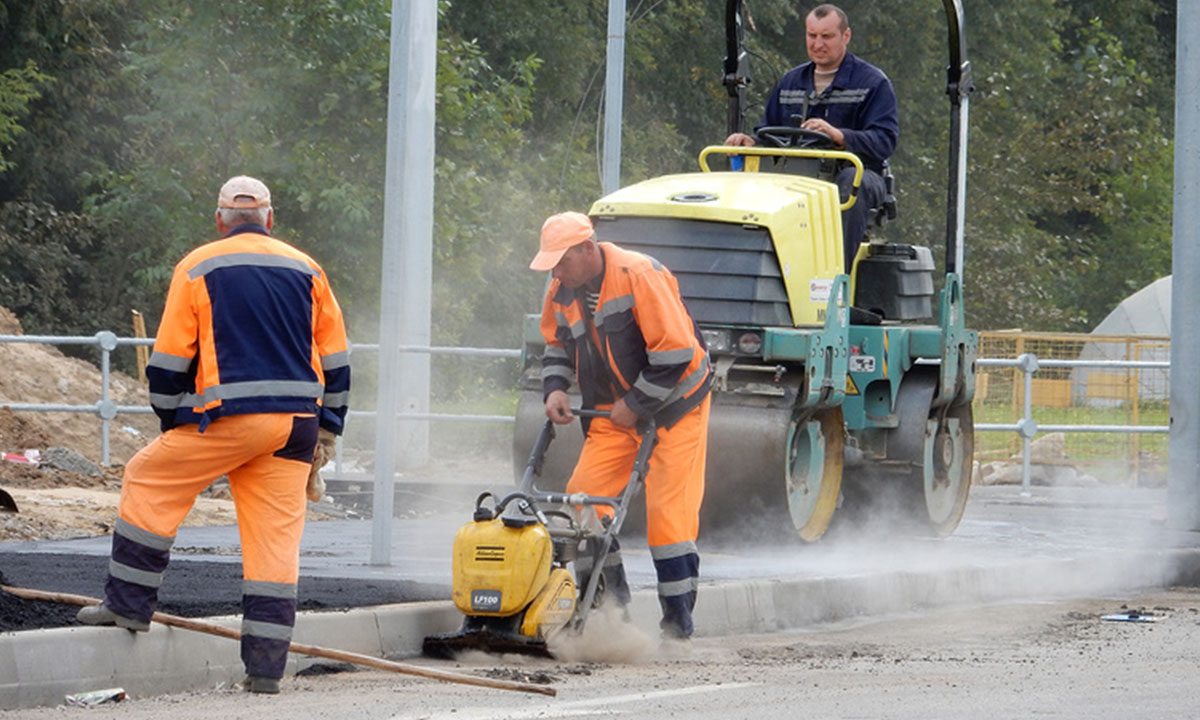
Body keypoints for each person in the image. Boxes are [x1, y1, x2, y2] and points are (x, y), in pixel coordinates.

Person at [76, 175, 351, 695]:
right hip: (296, 428)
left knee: (148, 477)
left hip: (230, 419)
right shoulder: (308, 269)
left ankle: (129, 605)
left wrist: (174, 418)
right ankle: (266, 669)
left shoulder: (199, 265)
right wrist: (329, 431)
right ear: (270, 219)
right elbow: (337, 360)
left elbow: (168, 362)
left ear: (220, 219)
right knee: (274, 546)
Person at [531, 211, 713, 640]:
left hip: (676, 406)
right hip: (614, 410)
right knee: (583, 503)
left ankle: (677, 626)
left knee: (669, 517)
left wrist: (635, 404)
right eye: (552, 264)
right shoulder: (561, 289)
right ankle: (609, 611)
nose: (556, 272)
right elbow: (556, 345)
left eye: (563, 262)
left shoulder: (639, 275)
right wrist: (555, 390)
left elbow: (675, 355)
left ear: (588, 250)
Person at [724, 3, 899, 272]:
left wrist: (839, 135)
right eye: (812, 35)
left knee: (851, 182)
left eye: (826, 36)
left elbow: (885, 140)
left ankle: (833, 280)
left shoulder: (872, 83)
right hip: (795, 175)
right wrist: (751, 143)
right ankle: (749, 272)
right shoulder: (791, 83)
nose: (818, 43)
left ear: (846, 36)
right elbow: (769, 132)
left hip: (855, 174)